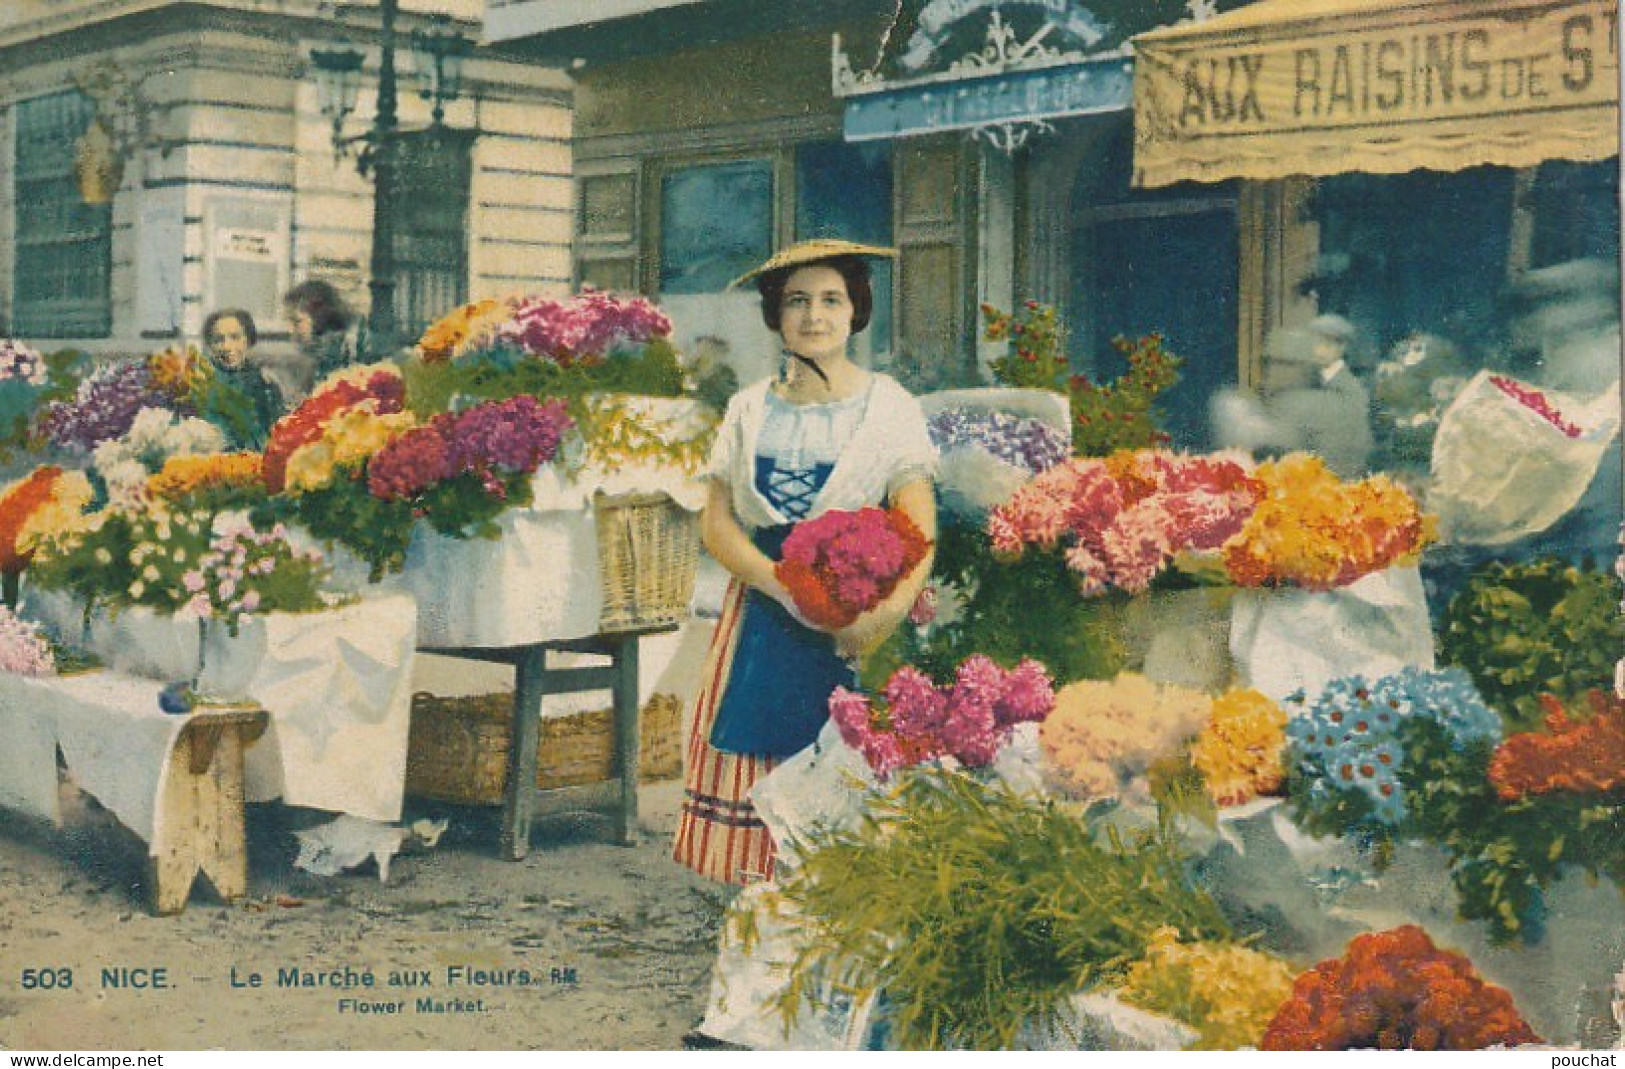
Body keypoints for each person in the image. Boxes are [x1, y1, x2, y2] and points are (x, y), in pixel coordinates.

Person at [672, 239, 938, 886]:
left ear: (855, 312)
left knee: (854, 745)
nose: (813, 316)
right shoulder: (749, 409)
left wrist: (878, 617)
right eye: (796, 301)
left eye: (830, 300)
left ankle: (848, 897)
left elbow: (918, 525)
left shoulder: (888, 407)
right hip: (763, 607)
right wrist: (783, 586)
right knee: (765, 737)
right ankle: (767, 895)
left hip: (864, 603)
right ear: (775, 315)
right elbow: (717, 521)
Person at [198, 308, 286, 450]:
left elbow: (279, 431)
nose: (227, 347)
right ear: (210, 344)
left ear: (247, 340)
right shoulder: (201, 383)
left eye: (235, 337)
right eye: (218, 340)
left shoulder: (265, 382)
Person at [281, 279, 357, 399]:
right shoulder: (314, 357)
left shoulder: (337, 358)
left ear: (320, 318)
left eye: (297, 321)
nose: (291, 330)